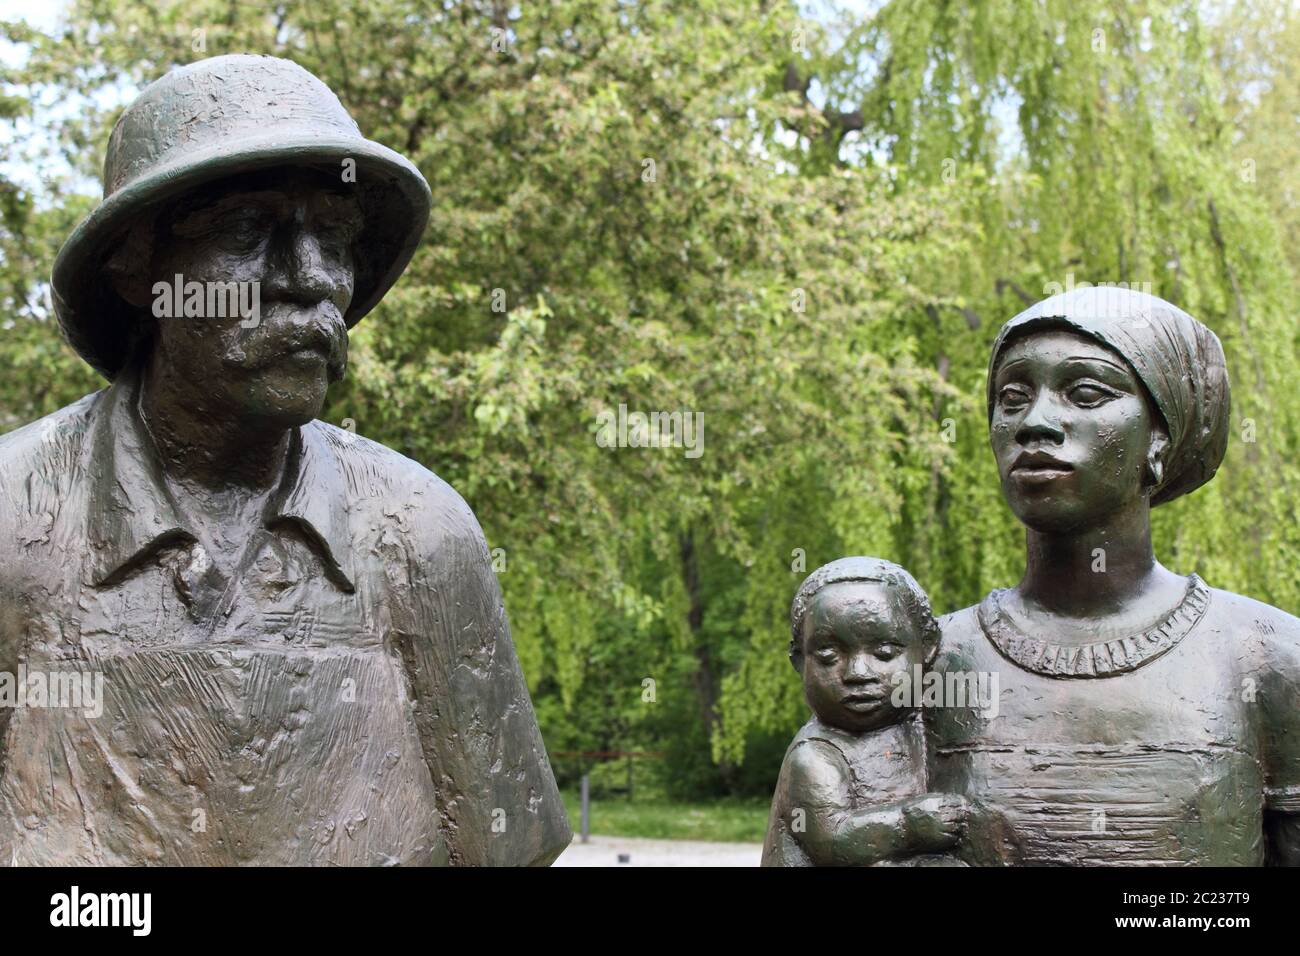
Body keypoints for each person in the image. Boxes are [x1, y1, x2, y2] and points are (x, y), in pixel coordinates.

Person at [0, 54, 571, 866]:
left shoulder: (422, 535)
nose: (310, 280)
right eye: (245, 233)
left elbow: (506, 845)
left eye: (334, 239)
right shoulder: (15, 519)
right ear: (138, 270)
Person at [930, 286, 1300, 865]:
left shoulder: (1272, 658)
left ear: (1160, 436)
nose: (1035, 423)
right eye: (1012, 397)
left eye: (1085, 393)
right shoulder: (917, 663)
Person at [762, 557, 968, 866]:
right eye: (829, 656)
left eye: (884, 653)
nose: (858, 673)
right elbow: (831, 841)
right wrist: (907, 826)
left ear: (927, 650)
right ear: (799, 661)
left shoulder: (923, 723)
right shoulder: (813, 757)